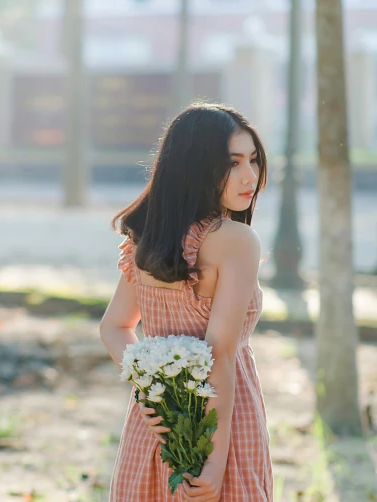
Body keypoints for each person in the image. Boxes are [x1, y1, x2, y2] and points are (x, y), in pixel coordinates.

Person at [100, 103, 273, 502]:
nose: (250, 177)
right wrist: (213, 463)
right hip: (225, 420)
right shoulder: (236, 240)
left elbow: (114, 327)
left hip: (156, 424)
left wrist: (154, 393)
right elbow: (221, 354)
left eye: (253, 160)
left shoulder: (150, 238)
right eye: (232, 163)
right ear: (196, 167)